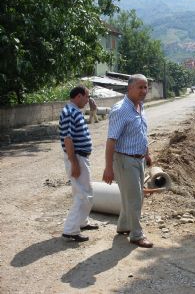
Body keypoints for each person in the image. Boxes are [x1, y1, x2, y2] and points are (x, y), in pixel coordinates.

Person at [102, 74, 153, 248]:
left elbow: (141, 133)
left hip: (138, 159)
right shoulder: (121, 110)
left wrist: (147, 153)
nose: (144, 91)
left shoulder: (140, 106)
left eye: (146, 87)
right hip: (125, 160)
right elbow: (111, 141)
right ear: (129, 88)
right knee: (135, 199)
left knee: (131, 196)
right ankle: (137, 235)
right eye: (140, 87)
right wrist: (108, 168)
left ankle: (124, 225)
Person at [59, 86, 98, 242]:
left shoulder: (75, 111)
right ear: (79, 96)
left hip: (80, 157)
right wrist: (74, 162)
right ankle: (70, 230)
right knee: (84, 194)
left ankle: (82, 222)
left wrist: (93, 110)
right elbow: (67, 139)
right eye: (87, 97)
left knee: (81, 192)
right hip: (77, 158)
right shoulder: (69, 112)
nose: (88, 100)